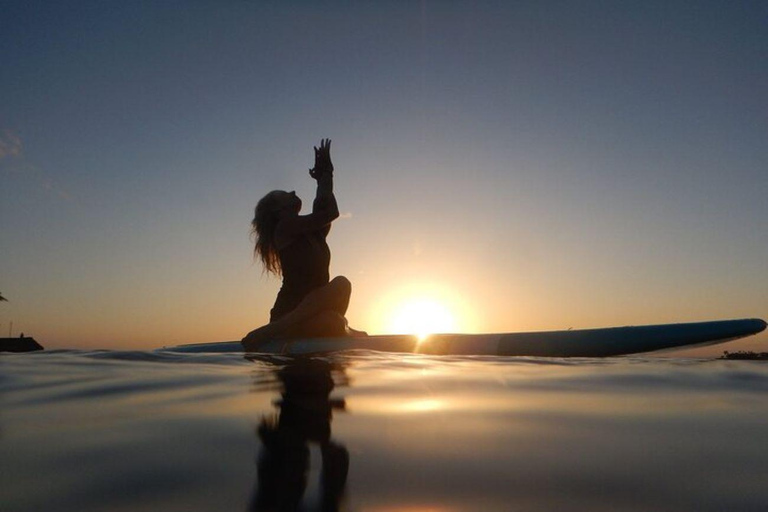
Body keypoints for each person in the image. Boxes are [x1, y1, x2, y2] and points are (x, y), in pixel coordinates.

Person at [242, 139, 364, 351]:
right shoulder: (284, 227)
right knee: (341, 283)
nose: (292, 191)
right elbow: (329, 213)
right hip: (289, 313)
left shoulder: (313, 233)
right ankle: (274, 329)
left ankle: (345, 328)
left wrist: (325, 177)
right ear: (278, 211)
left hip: (313, 313)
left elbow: (323, 206)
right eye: (284, 195)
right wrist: (326, 175)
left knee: (334, 322)